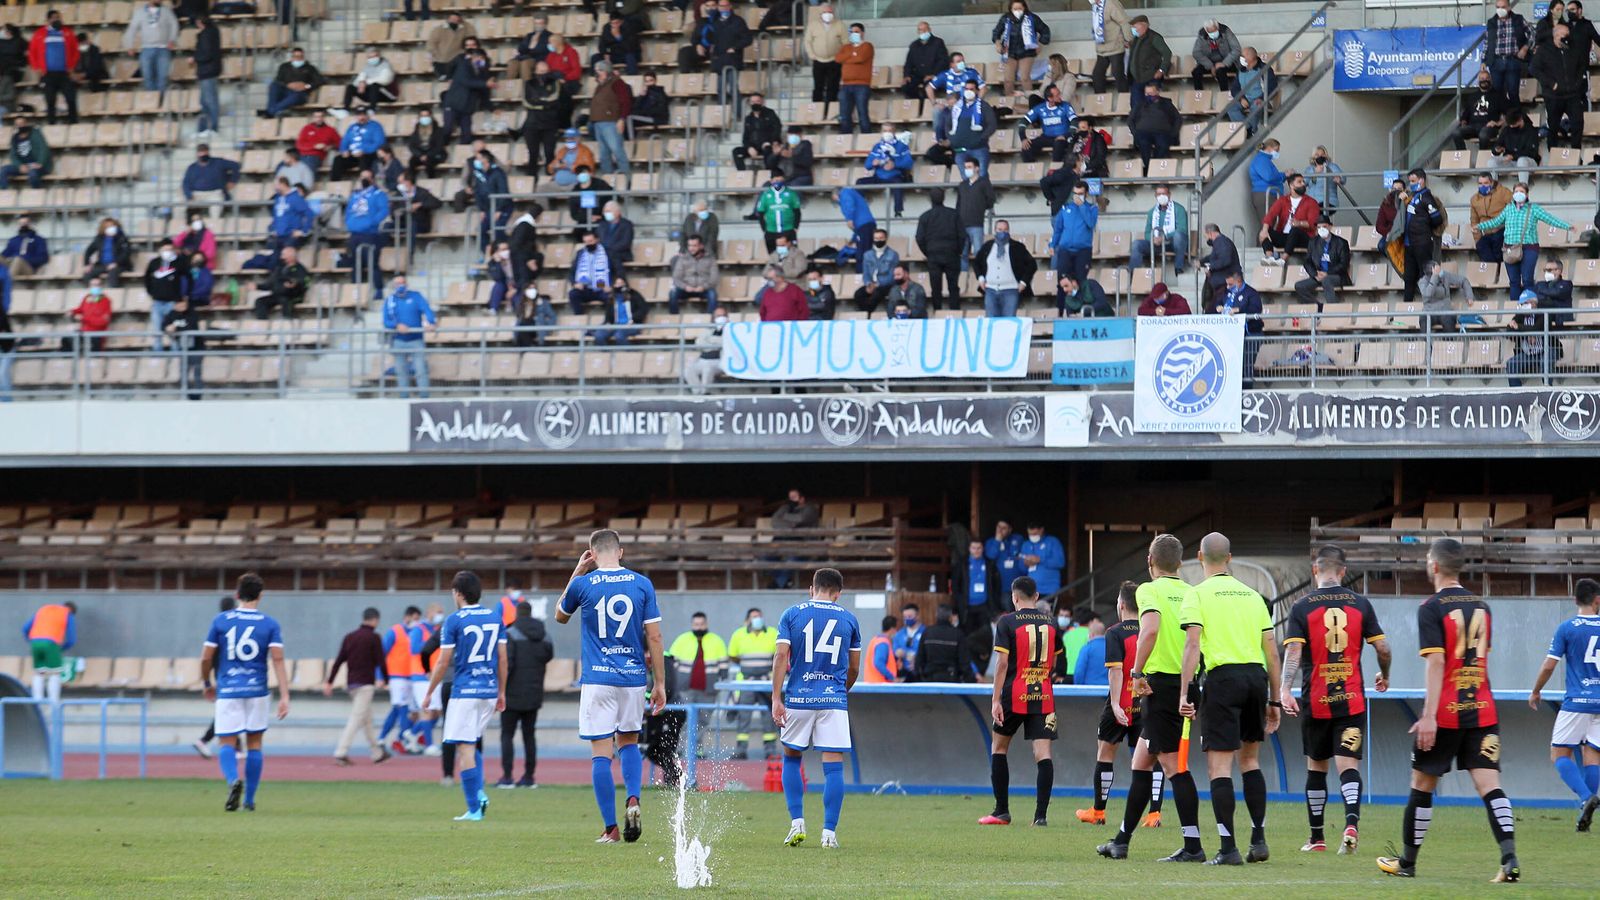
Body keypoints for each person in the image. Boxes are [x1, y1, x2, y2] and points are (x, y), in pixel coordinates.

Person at [1378, 539, 1521, 883]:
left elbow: (1438, 661)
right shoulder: (1482, 607)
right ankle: (1510, 860)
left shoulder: (1431, 608)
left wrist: (1428, 715)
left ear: (1435, 566)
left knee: (1422, 783)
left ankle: (1408, 863)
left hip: (1446, 713)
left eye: (1428, 560)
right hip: (1483, 709)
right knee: (1490, 785)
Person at [1098, 536, 1208, 860]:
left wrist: (1135, 673)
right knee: (1141, 762)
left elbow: (1149, 631)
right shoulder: (1192, 592)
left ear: (1150, 560)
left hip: (1160, 685)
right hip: (1185, 682)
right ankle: (1121, 841)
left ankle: (1193, 846)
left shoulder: (1149, 590)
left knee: (1175, 768)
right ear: (1181, 562)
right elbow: (1197, 641)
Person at [1177, 532, 1282, 866]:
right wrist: (1275, 700)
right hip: (1256, 678)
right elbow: (1272, 652)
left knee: (1218, 767)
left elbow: (1193, 646)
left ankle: (1228, 848)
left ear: (1200, 556)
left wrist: (1184, 692)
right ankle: (1259, 839)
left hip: (1223, 680)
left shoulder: (1197, 595)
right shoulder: (1254, 596)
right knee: (1250, 761)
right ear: (1230, 558)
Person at [556, 529, 667, 844]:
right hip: (633, 678)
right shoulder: (642, 583)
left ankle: (611, 828)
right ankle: (633, 798)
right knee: (629, 742)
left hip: (598, 678)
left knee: (600, 753)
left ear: (591, 553)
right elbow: (655, 637)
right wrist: (659, 683)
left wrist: (578, 571)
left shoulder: (583, 583)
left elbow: (560, 615)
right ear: (620, 551)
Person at [1281, 549, 1391, 853]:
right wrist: (1385, 674)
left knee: (1316, 768)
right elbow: (1382, 648)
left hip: (1316, 699)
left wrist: (1284, 690)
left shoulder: (1302, 607)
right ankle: (1351, 824)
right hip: (1352, 699)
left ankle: (1317, 838)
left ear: (1315, 570)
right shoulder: (1361, 604)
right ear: (1343, 571)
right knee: (1348, 766)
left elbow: (1293, 654)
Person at [773, 567, 860, 850]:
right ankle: (829, 834)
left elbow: (781, 656)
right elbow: (855, 666)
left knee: (791, 757)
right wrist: (839, 691)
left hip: (798, 697)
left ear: (812, 589)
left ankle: (796, 823)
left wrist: (777, 698)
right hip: (832, 700)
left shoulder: (792, 614)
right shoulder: (849, 619)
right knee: (833, 767)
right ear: (838, 594)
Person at [420, 571, 506, 822]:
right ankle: (478, 793)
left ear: (458, 593)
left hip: (465, 690)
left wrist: (429, 691)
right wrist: (501, 691)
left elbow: (443, 661)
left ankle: (474, 807)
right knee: (471, 740)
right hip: (488, 690)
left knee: (464, 747)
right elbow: (502, 658)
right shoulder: (495, 618)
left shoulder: (454, 620)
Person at [200, 574, 290, 812]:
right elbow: (278, 660)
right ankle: (249, 800)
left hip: (228, 689)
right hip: (257, 690)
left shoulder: (221, 621)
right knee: (255, 744)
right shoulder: (270, 624)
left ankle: (232, 781)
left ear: (237, 594)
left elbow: (206, 657)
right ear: (261, 596)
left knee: (226, 742)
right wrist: (285, 695)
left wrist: (206, 683)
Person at [1079, 584, 1165, 825]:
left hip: (1123, 702)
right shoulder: (1152, 630)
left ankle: (1098, 812)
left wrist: (1116, 704)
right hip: (1147, 702)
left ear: (1122, 605)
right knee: (1152, 757)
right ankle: (1154, 813)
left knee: (1106, 754)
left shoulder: (1114, 632)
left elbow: (1116, 671)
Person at [978, 575, 1059, 827]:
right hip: (1043, 695)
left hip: (1014, 694)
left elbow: (1002, 663)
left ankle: (1002, 811)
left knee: (999, 748)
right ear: (1036, 597)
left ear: (1014, 597)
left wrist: (995, 699)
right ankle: (1040, 816)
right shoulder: (1052, 623)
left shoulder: (1006, 622)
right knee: (1043, 754)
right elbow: (1054, 664)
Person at [1528, 577, 1600, 827]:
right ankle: (1585, 816)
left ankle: (1586, 797)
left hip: (1577, 701)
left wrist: (1536, 690)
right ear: (1597, 600)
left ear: (1575, 600)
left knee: (1559, 753)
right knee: (1592, 755)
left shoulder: (1567, 628)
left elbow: (1550, 665)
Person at [324, 607, 393, 766]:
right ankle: (341, 752)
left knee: (366, 719)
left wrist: (329, 681)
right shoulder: (374, 638)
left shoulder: (349, 637)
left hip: (352, 684)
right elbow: (381, 661)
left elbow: (339, 660)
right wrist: (386, 680)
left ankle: (377, 753)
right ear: (375, 620)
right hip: (366, 684)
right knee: (356, 718)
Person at [1474, 185, 1568, 303]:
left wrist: (1567, 227)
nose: (1518, 193)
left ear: (1527, 194)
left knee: (1527, 279)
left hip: (1529, 247)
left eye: (1521, 191)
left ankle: (1531, 309)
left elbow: (1550, 219)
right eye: (1516, 191)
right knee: (1514, 281)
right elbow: (1496, 222)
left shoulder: (1533, 208)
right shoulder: (1508, 208)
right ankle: (1514, 310)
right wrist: (1480, 227)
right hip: (1510, 249)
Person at [499, 599, 552, 789]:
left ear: (517, 614)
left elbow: (507, 663)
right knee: (529, 736)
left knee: (507, 735)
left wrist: (501, 689)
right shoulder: (544, 634)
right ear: (530, 613)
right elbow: (548, 655)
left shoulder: (510, 633)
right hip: (534, 692)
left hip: (511, 694)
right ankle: (529, 777)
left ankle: (507, 777)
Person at [668, 611, 727, 758]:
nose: (699, 627)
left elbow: (724, 666)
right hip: (685, 690)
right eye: (696, 624)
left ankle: (696, 750)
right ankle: (680, 749)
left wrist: (720, 683)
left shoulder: (716, 641)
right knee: (683, 721)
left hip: (708, 691)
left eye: (701, 624)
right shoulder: (682, 640)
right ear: (692, 624)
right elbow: (671, 663)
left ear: (706, 624)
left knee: (703, 721)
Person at [1533, 24, 1587, 150]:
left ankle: (1576, 153)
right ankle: (1552, 153)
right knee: (1553, 127)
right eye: (1565, 35)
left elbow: (1581, 66)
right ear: (1556, 36)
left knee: (1578, 123)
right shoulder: (1544, 50)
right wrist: (1551, 84)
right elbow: (1534, 68)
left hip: (1572, 94)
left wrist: (1577, 83)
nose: (1568, 37)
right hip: (1553, 96)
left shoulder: (1574, 48)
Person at [382, 274, 435, 399]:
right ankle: (404, 397)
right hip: (398, 340)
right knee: (401, 371)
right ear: (393, 286)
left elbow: (427, 310)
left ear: (407, 284)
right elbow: (386, 321)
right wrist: (397, 326)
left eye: (403, 283)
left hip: (416, 340)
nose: (401, 286)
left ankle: (424, 397)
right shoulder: (390, 301)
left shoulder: (416, 296)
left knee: (420, 370)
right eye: (398, 283)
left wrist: (431, 322)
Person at [973, 221, 1035, 318]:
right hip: (990, 290)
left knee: (1009, 322)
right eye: (1000, 230)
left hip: (1011, 290)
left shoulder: (1018, 247)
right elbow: (976, 262)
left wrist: (1024, 282)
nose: (1003, 232)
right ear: (995, 230)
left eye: (1005, 230)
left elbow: (1032, 264)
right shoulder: (987, 246)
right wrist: (980, 278)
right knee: (991, 322)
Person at [28, 11, 80, 124]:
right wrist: (37, 69)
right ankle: (52, 124)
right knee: (50, 100)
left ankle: (74, 123)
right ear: (48, 20)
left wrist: (71, 67)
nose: (57, 20)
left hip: (65, 73)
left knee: (71, 98)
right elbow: (32, 53)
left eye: (59, 17)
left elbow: (75, 51)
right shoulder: (40, 33)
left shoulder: (68, 33)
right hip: (48, 74)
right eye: (54, 18)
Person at [992, 1, 1051, 99]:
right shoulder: (1005, 18)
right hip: (1009, 52)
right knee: (1008, 80)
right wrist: (998, 44)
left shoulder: (1032, 18)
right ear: (1010, 9)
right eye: (1015, 9)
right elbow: (996, 32)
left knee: (1025, 78)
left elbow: (1045, 31)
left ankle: (1030, 102)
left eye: (1020, 9)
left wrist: (1040, 45)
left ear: (1025, 8)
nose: (1017, 11)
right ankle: (1009, 103)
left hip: (1027, 52)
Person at [916, 188, 963, 309]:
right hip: (952, 253)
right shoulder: (954, 214)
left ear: (929, 199)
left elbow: (919, 238)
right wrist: (958, 250)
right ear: (944, 198)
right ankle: (955, 311)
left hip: (933, 255)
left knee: (936, 287)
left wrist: (928, 252)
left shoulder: (925, 217)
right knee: (953, 286)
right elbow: (962, 235)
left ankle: (937, 311)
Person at [1258, 172, 1320, 266]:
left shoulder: (1311, 202)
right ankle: (1269, 258)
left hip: (1304, 238)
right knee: (1265, 231)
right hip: (1286, 237)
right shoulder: (1283, 200)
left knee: (1295, 230)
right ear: (1291, 185)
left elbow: (1313, 223)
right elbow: (1270, 215)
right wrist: (1265, 230)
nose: (1303, 184)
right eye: (1299, 182)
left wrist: (1300, 223)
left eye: (1303, 181)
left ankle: (1282, 260)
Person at [21, 600, 77, 702]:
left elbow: (25, 628)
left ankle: (37, 702)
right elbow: (71, 639)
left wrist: (31, 641)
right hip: (51, 643)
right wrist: (61, 649)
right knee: (54, 673)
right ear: (72, 610)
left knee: (39, 672)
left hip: (35, 642)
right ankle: (54, 703)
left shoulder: (43, 610)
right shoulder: (67, 613)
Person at [1217, 271, 1264, 386]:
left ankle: (1246, 394)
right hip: (1231, 334)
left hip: (1250, 333)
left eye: (1230, 284)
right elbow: (1218, 303)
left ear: (1238, 282)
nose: (1228, 287)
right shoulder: (1227, 293)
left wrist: (1238, 310)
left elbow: (1256, 309)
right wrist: (1218, 307)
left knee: (1246, 365)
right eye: (1227, 284)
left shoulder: (1251, 293)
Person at [124, 0, 179, 95]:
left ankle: (161, 105)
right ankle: (152, 103)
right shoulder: (140, 12)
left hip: (163, 49)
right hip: (146, 49)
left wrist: (172, 39)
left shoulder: (167, 11)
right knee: (148, 78)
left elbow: (174, 24)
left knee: (162, 78)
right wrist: (129, 46)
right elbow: (132, 29)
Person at [1294, 216, 1349, 311]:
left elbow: (1343, 264)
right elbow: (1307, 261)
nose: (1321, 230)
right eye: (1319, 228)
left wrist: (1327, 273)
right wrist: (1315, 274)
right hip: (1318, 275)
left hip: (1336, 276)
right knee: (1299, 286)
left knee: (1326, 280)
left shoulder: (1341, 242)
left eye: (1324, 226)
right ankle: (1319, 307)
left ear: (1330, 227)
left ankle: (1333, 311)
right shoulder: (1313, 242)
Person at [440, 47, 493, 145]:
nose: (481, 61)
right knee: (447, 129)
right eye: (479, 58)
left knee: (467, 135)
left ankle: (462, 154)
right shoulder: (463, 66)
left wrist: (490, 107)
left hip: (467, 107)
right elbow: (466, 82)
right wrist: (485, 84)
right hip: (454, 104)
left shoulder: (483, 71)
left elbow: (484, 90)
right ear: (473, 57)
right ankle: (439, 148)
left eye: (483, 59)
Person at [859, 125, 914, 217]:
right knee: (859, 183)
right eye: (885, 131)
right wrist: (873, 163)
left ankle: (898, 212)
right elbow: (867, 165)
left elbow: (909, 164)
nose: (887, 133)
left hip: (895, 176)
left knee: (898, 185)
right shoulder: (877, 146)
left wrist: (895, 165)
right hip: (879, 177)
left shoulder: (902, 146)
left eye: (890, 130)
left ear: (894, 132)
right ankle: (861, 208)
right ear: (881, 132)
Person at [1132, 185, 1188, 274]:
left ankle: (1178, 268)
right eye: (1159, 194)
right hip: (1157, 244)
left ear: (1169, 195)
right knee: (1137, 244)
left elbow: (1182, 229)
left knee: (1179, 236)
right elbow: (1147, 232)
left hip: (1173, 243)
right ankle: (1133, 274)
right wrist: (1153, 239)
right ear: (1155, 196)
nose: (1161, 196)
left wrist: (1164, 237)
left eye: (1164, 193)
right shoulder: (1152, 212)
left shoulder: (1179, 209)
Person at [588, 61, 632, 176]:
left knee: (618, 152)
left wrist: (622, 119)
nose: (597, 73)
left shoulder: (617, 83)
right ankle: (608, 181)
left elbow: (625, 102)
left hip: (611, 122)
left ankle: (626, 180)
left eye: (599, 70)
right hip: (599, 123)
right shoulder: (600, 85)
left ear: (606, 71)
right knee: (604, 155)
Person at [1051, 181, 1097, 285]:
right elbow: (1058, 229)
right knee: (1062, 282)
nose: (1077, 196)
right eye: (1075, 193)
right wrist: (1052, 244)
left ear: (1086, 194)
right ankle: (1062, 302)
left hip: (1083, 251)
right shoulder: (1065, 207)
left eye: (1080, 194)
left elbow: (1090, 223)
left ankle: (1079, 301)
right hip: (1065, 250)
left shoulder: (1092, 208)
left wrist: (1082, 206)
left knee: (1080, 282)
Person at [1126, 16, 1171, 119]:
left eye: (1135, 26)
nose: (1133, 29)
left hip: (1151, 78)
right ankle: (1139, 126)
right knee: (1136, 106)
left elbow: (1167, 53)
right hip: (1137, 79)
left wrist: (1162, 69)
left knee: (1152, 105)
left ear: (1144, 25)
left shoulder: (1154, 37)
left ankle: (1153, 124)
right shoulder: (1136, 39)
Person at [708, 0, 754, 103]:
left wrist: (735, 48)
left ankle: (737, 114)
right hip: (719, 59)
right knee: (720, 89)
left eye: (726, 6)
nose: (723, 8)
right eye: (721, 6)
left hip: (733, 59)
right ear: (718, 7)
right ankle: (722, 114)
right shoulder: (714, 22)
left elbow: (748, 39)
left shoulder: (738, 21)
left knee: (733, 88)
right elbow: (709, 38)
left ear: (730, 6)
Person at [1017, 85, 1075, 164]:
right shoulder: (1040, 108)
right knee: (1026, 147)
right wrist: (1023, 138)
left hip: (1063, 137)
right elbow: (1023, 122)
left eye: (1059, 93)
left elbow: (1075, 122)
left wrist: (1066, 135)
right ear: (1050, 98)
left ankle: (1055, 169)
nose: (1060, 96)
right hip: (1046, 137)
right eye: (1057, 95)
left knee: (1059, 144)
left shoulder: (1066, 106)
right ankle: (1034, 170)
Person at [916, 604, 974, 683]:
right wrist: (969, 680)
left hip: (929, 678)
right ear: (950, 617)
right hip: (951, 678)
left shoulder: (927, 632)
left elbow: (919, 658)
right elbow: (964, 661)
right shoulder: (957, 634)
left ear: (936, 615)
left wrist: (919, 677)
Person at [1486, 0, 1531, 99]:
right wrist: (1483, 61)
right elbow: (1487, 42)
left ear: (1509, 7)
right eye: (1498, 7)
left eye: (1503, 7)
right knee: (1496, 93)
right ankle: (1500, 114)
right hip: (1496, 61)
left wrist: (1525, 47)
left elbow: (1532, 34)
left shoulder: (1518, 19)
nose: (1500, 10)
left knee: (1513, 92)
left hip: (1513, 60)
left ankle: (1515, 114)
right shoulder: (1491, 22)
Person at [261, 47, 324, 118]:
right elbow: (278, 80)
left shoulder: (310, 68)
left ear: (303, 57)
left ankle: (270, 112)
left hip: (301, 93)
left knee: (296, 96)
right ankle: (273, 110)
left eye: (300, 57)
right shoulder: (284, 67)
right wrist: (288, 85)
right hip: (286, 91)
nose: (298, 58)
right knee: (274, 85)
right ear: (292, 57)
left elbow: (319, 81)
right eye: (296, 56)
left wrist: (307, 86)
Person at [1228, 47, 1278, 135]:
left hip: (1260, 100)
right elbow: (1234, 88)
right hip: (1245, 99)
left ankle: (1252, 131)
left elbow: (1272, 86)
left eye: (1243, 56)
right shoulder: (1241, 70)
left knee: (1256, 106)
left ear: (1250, 57)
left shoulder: (1264, 69)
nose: (1241, 58)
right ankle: (1247, 129)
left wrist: (1262, 98)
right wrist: (1241, 98)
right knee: (1231, 107)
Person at [1130, 84, 1180, 174]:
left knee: (1163, 145)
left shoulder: (1166, 103)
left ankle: (1155, 167)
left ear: (1157, 92)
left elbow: (1177, 118)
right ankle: (1149, 168)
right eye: (1146, 93)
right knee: (1143, 144)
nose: (1148, 95)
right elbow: (1130, 120)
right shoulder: (1140, 104)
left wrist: (1173, 133)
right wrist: (1135, 133)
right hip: (1143, 132)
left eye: (1151, 93)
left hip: (1162, 132)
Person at [950, 83, 997, 177]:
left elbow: (992, 124)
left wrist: (981, 138)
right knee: (965, 178)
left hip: (979, 148)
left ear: (977, 91)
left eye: (971, 89)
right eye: (966, 89)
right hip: (961, 150)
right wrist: (952, 139)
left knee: (982, 176)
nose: (968, 91)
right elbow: (947, 124)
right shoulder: (957, 107)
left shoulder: (983, 106)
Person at [834, 22, 873, 134]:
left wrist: (848, 57)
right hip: (846, 85)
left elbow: (860, 58)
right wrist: (852, 54)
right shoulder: (846, 47)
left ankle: (866, 138)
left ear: (862, 33)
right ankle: (846, 138)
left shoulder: (867, 46)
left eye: (857, 32)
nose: (854, 34)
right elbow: (838, 59)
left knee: (863, 114)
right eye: (851, 32)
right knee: (844, 115)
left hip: (862, 85)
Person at [181, 145, 239, 219]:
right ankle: (180, 226)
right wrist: (189, 195)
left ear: (208, 152)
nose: (202, 155)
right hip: (196, 194)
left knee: (216, 205)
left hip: (214, 193)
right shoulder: (192, 167)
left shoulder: (218, 162)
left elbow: (235, 165)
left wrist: (232, 181)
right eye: (200, 152)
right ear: (197, 153)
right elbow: (185, 183)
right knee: (178, 205)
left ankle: (214, 224)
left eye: (204, 152)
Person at [956, 160, 995, 270]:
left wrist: (981, 207)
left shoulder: (984, 183)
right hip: (962, 225)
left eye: (969, 166)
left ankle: (980, 276)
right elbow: (958, 204)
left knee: (979, 253)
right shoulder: (962, 185)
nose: (967, 169)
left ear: (977, 168)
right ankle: (963, 279)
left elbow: (991, 199)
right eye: (965, 167)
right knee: (962, 254)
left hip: (976, 224)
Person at [1455, 74, 1511, 151]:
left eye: (1486, 78)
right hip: (1472, 127)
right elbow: (1465, 114)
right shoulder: (1472, 96)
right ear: (1478, 81)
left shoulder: (1498, 96)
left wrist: (1498, 123)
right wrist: (1463, 122)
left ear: (1491, 80)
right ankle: (1463, 156)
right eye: (1482, 78)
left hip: (1489, 127)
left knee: (1483, 135)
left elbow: (1509, 114)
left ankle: (1482, 157)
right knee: (1456, 132)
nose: (1484, 80)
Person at [804, 4, 845, 111]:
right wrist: (811, 55)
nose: (828, 15)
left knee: (833, 87)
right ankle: (817, 111)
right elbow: (807, 41)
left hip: (834, 60)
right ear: (820, 14)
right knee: (818, 87)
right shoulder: (813, 25)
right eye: (826, 12)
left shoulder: (840, 24)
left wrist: (841, 57)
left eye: (830, 12)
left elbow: (846, 42)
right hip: (818, 60)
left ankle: (830, 110)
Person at [1417, 258, 1474, 332]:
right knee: (1423, 320)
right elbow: (1428, 294)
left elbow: (1463, 280)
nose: (1440, 271)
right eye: (1437, 269)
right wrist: (1435, 277)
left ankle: (1449, 343)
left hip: (1445, 311)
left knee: (1448, 320)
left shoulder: (1445, 276)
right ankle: (1426, 343)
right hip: (1429, 312)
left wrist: (1469, 297)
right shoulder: (1422, 281)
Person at [329, 107, 385, 181]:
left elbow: (379, 142)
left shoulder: (375, 126)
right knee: (338, 159)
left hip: (369, 154)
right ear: (356, 117)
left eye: (363, 115)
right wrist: (344, 150)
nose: (361, 117)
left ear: (367, 116)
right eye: (359, 115)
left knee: (364, 158)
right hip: (354, 155)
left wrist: (364, 150)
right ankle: (334, 184)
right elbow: (344, 141)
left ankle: (365, 183)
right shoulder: (352, 127)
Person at [902, 21, 950, 106]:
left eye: (925, 29)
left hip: (933, 75)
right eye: (920, 30)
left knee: (927, 87)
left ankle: (925, 108)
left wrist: (934, 74)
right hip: (918, 75)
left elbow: (943, 61)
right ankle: (919, 104)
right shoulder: (914, 45)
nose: (923, 32)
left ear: (930, 30)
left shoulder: (938, 42)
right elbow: (908, 62)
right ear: (918, 32)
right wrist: (907, 75)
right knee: (906, 87)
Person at [733, 91, 783, 171]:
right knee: (736, 151)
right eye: (753, 102)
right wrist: (749, 147)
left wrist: (770, 142)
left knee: (768, 150)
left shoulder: (770, 113)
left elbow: (777, 128)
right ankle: (742, 173)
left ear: (762, 102)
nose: (755, 103)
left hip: (767, 145)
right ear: (749, 103)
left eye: (757, 101)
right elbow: (745, 137)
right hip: (754, 147)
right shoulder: (748, 119)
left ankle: (769, 174)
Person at [668, 235, 718, 314]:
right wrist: (685, 287)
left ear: (701, 246)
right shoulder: (682, 259)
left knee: (712, 294)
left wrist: (703, 287)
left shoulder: (710, 259)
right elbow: (676, 278)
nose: (691, 248)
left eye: (694, 246)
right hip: (686, 289)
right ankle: (674, 320)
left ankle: (710, 322)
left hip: (703, 289)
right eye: (689, 245)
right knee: (672, 293)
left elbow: (714, 278)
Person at [852, 229, 898, 315]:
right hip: (871, 284)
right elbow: (865, 273)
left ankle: (867, 315)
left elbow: (892, 275)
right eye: (876, 238)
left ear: (886, 238)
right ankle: (865, 314)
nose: (878, 240)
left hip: (886, 285)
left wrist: (878, 284)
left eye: (881, 238)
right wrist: (868, 284)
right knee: (858, 294)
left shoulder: (893, 254)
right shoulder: (867, 255)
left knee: (876, 294)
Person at [1089, 0, 1131, 92]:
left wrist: (1128, 39)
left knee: (1118, 74)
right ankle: (1101, 102)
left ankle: (1124, 100)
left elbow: (1124, 22)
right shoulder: (1096, 6)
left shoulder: (1111, 3)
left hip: (1115, 47)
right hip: (1102, 49)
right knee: (1097, 75)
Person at [1470, 173, 1512, 263]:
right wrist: (1477, 240)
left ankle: (1500, 271)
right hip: (1486, 233)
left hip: (1502, 230)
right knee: (1481, 246)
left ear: (1492, 183)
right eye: (1480, 183)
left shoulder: (1503, 192)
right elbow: (1474, 221)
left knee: (1498, 247)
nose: (1483, 186)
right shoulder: (1474, 199)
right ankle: (1494, 272)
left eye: (1485, 183)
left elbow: (1514, 210)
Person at [0, 115, 51, 189]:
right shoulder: (14, 137)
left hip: (37, 165)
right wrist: (20, 165)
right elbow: (13, 155)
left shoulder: (35, 133)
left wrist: (40, 163)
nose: (20, 126)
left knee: (33, 174)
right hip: (23, 166)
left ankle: (36, 192)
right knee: (3, 170)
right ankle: (3, 193)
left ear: (26, 123)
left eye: (21, 123)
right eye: (17, 124)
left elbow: (43, 149)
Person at [685, 307, 727, 394]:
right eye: (718, 316)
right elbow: (699, 343)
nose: (721, 318)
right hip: (703, 360)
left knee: (707, 369)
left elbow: (725, 342)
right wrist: (715, 344)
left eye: (723, 316)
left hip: (719, 361)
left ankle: (704, 393)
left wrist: (710, 341)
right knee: (688, 370)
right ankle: (697, 393)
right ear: (713, 318)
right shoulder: (708, 329)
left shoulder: (730, 329)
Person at [568, 231, 613, 314]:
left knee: (611, 297)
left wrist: (612, 285)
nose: (588, 244)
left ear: (597, 240)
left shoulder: (608, 252)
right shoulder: (580, 253)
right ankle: (580, 319)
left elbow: (617, 269)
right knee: (573, 294)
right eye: (586, 242)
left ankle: (609, 322)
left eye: (590, 241)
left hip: (602, 288)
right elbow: (572, 272)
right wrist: (575, 283)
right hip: (585, 288)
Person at [754, 175, 800, 253]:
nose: (778, 182)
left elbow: (797, 211)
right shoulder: (766, 195)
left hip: (788, 230)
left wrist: (795, 226)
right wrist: (764, 228)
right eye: (776, 180)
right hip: (771, 231)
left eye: (780, 180)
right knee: (773, 257)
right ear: (771, 181)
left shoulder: (791, 193)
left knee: (792, 255)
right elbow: (761, 213)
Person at [192, 17, 222, 138]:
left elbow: (206, 54)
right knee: (205, 101)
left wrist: (195, 58)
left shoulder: (206, 35)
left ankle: (213, 127)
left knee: (209, 101)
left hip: (207, 70)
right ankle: (203, 128)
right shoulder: (214, 32)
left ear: (200, 22)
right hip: (210, 70)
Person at [1018, 524, 1065, 599]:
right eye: (1030, 534)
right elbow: (1021, 568)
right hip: (1032, 589)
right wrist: (1025, 564)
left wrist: (1040, 560)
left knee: (1048, 610)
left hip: (1050, 589)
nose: (1032, 536)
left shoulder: (1052, 541)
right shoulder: (1026, 545)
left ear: (1041, 530)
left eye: (1035, 534)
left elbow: (1060, 562)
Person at [343, 46, 397, 111]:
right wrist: (361, 82)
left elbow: (385, 80)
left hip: (387, 95)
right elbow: (358, 80)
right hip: (372, 96)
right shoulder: (367, 66)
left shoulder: (386, 65)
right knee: (350, 87)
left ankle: (372, 109)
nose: (372, 59)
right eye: (370, 57)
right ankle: (345, 110)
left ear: (379, 55)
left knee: (374, 85)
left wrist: (365, 82)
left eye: (374, 56)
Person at [1191, 21, 1240, 91]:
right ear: (1206, 31)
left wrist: (1224, 63)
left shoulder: (1226, 31)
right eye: (1210, 32)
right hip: (1209, 63)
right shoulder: (1202, 35)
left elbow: (1236, 49)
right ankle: (1200, 95)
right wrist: (1210, 65)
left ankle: (1224, 94)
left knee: (1220, 71)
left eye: (1214, 31)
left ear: (1218, 27)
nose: (1213, 34)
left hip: (1227, 61)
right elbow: (1196, 52)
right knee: (1196, 72)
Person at [1246, 138, 1285, 224]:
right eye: (1276, 150)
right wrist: (1284, 175)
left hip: (1269, 195)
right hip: (1265, 195)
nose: (1277, 153)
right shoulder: (1261, 159)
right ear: (1270, 148)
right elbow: (1269, 176)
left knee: (1272, 225)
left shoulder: (1265, 160)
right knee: (1267, 226)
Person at [427, 13, 475, 79]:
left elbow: (472, 35)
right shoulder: (438, 29)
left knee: (457, 80)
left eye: (456, 19)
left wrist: (464, 22)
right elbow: (431, 44)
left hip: (457, 60)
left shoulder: (463, 29)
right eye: (452, 19)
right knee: (443, 80)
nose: (454, 21)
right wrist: (436, 55)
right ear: (448, 19)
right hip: (441, 61)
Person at [69, 278, 112, 352]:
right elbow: (81, 309)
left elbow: (103, 322)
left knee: (94, 344)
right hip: (84, 331)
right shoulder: (87, 298)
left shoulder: (106, 301)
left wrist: (83, 318)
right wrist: (72, 312)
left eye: (97, 285)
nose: (95, 287)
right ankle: (68, 361)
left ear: (101, 287)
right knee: (67, 339)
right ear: (89, 287)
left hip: (97, 334)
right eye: (93, 285)